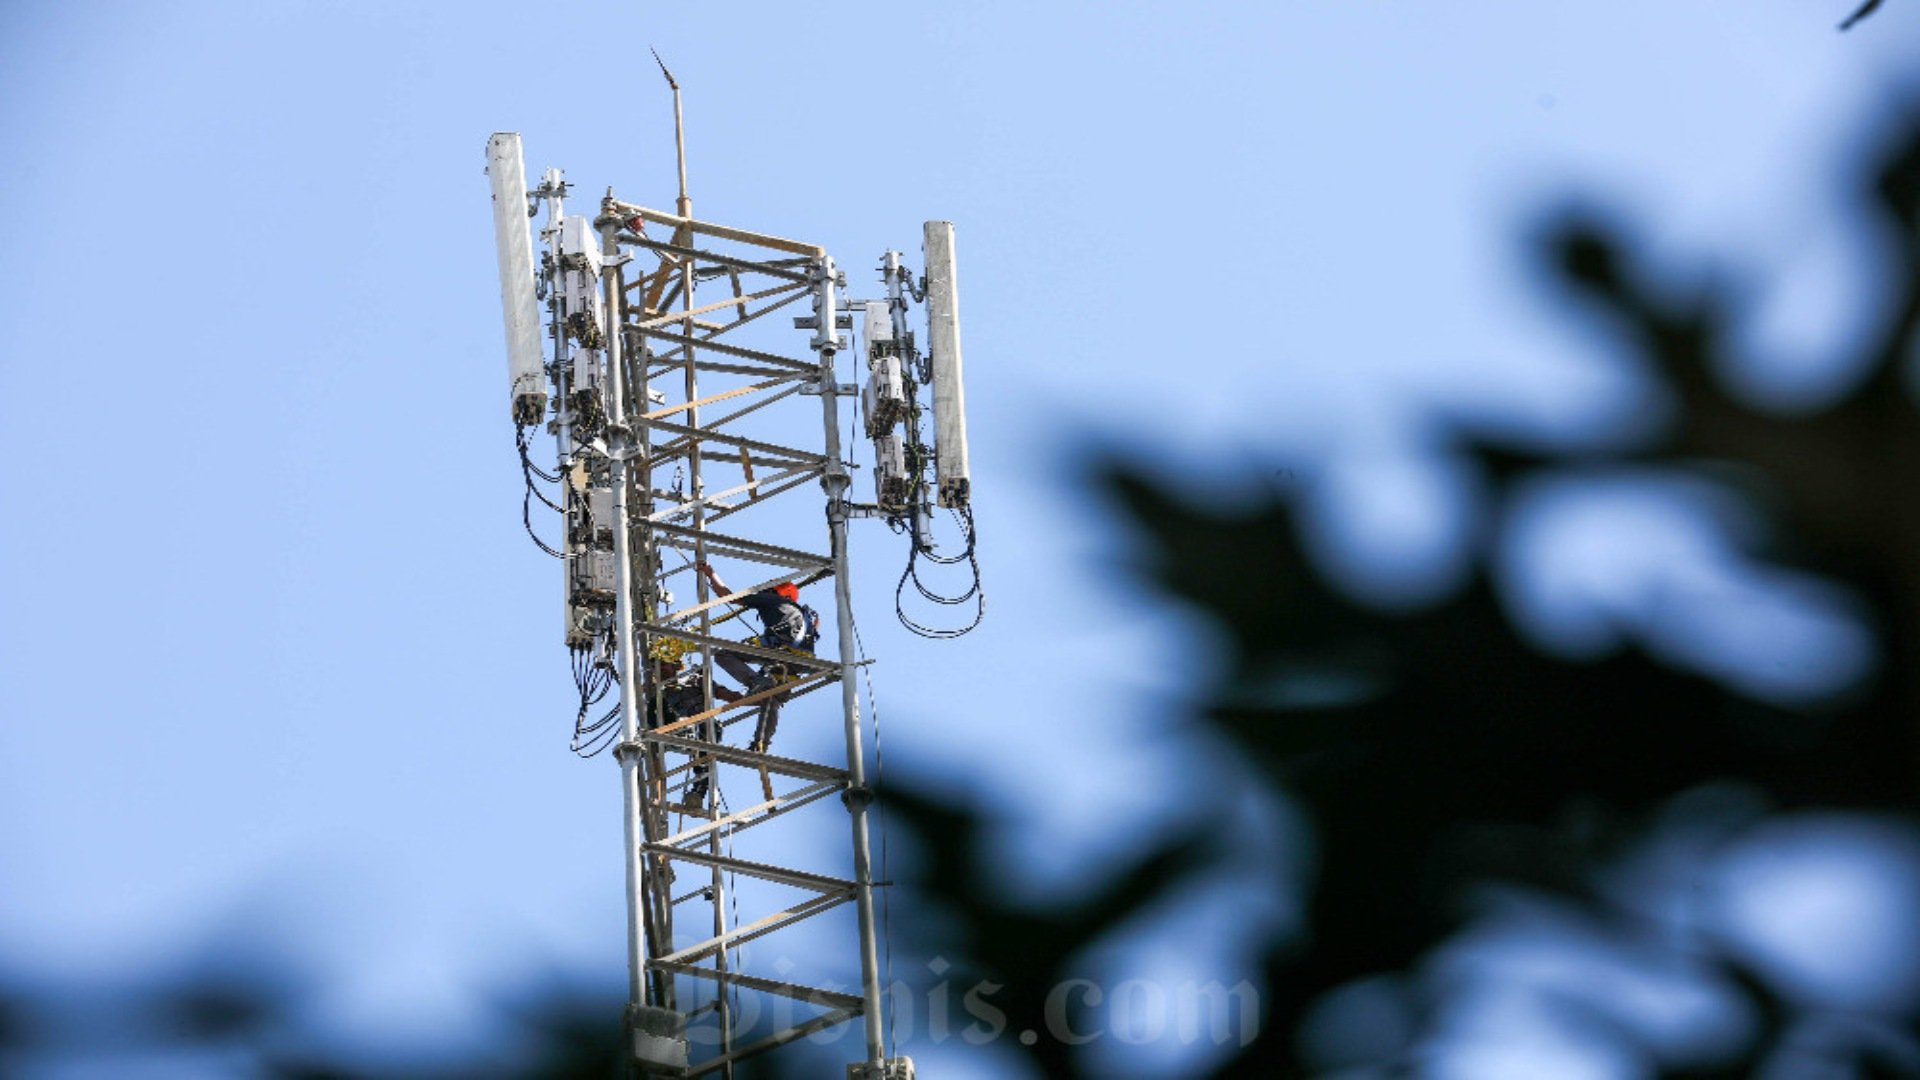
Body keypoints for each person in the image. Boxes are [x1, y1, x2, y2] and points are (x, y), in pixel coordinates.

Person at [694, 560, 819, 753]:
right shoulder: (804, 617)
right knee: (771, 698)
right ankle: (761, 743)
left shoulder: (773, 600)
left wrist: (711, 574)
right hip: (798, 663)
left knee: (723, 654)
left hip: (779, 651)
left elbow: (728, 596)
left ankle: (755, 682)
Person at [643, 647, 739, 806]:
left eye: (663, 665)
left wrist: (755, 699)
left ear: (675, 665)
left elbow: (725, 695)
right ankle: (656, 789)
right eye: (655, 668)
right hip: (678, 730)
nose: (659, 670)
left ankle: (698, 792)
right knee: (655, 706)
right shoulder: (660, 693)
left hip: (704, 727)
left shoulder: (694, 680)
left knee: (704, 750)